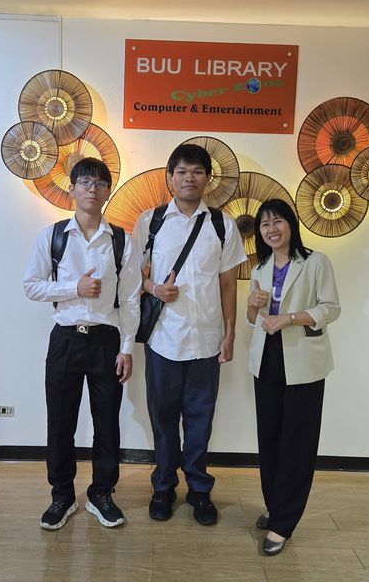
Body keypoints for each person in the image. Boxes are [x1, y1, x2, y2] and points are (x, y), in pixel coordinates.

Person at [22, 157, 141, 530]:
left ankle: (101, 494)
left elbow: (131, 300)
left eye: (100, 183)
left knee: (107, 423)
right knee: (60, 422)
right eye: (86, 181)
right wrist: (75, 287)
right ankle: (62, 496)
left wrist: (126, 348)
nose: (93, 188)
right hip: (65, 339)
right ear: (72, 188)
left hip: (106, 341)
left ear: (107, 191)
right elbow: (32, 286)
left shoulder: (121, 240)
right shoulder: (53, 236)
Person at [132, 144, 246, 525]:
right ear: (169, 178)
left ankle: (199, 489)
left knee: (200, 421)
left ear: (207, 178)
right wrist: (153, 288)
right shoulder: (150, 222)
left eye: (197, 171)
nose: (189, 178)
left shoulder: (222, 225)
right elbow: (131, 277)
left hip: (206, 341)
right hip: (163, 340)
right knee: (163, 420)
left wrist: (230, 333)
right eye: (181, 171)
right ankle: (163, 487)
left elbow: (228, 284)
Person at [246, 198, 340, 555]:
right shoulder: (261, 266)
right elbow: (253, 320)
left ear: (291, 224)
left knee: (297, 443)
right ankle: (275, 506)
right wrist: (253, 306)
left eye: (278, 221)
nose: (271, 229)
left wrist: (290, 318)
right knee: (270, 438)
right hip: (266, 359)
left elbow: (331, 308)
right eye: (265, 224)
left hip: (303, 360)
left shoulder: (316, 262)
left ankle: (283, 523)